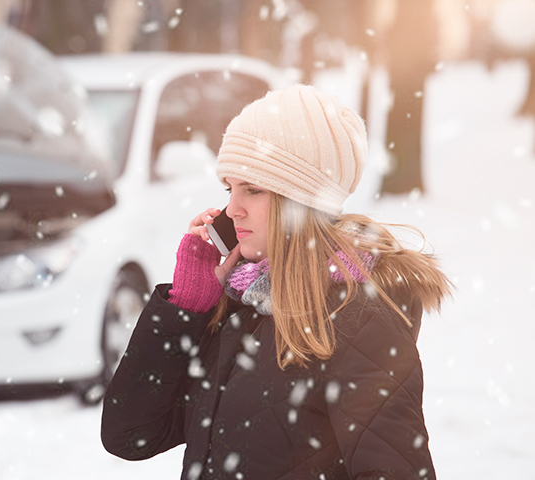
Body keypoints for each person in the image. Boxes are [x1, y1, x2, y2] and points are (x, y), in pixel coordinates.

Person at [100, 84, 453, 479]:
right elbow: (129, 434)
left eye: (252, 189)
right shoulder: (240, 305)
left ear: (302, 202)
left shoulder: (359, 320)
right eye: (229, 188)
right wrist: (186, 304)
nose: (232, 209)